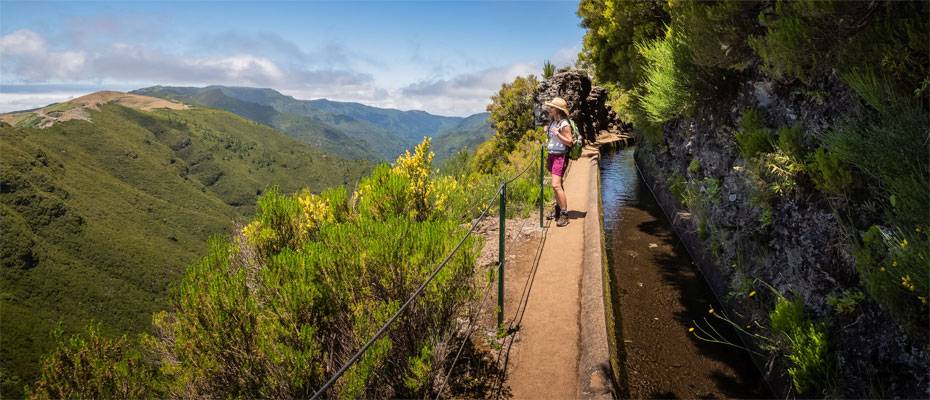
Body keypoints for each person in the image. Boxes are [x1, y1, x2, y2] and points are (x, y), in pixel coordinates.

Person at [543, 97, 573, 227]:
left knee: (555, 185)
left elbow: (570, 142)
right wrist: (548, 131)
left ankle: (564, 214)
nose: (549, 109)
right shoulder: (553, 122)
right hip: (552, 155)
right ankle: (558, 209)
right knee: (557, 184)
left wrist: (558, 133)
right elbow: (553, 139)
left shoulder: (564, 124)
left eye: (551, 107)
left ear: (557, 110)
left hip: (560, 157)